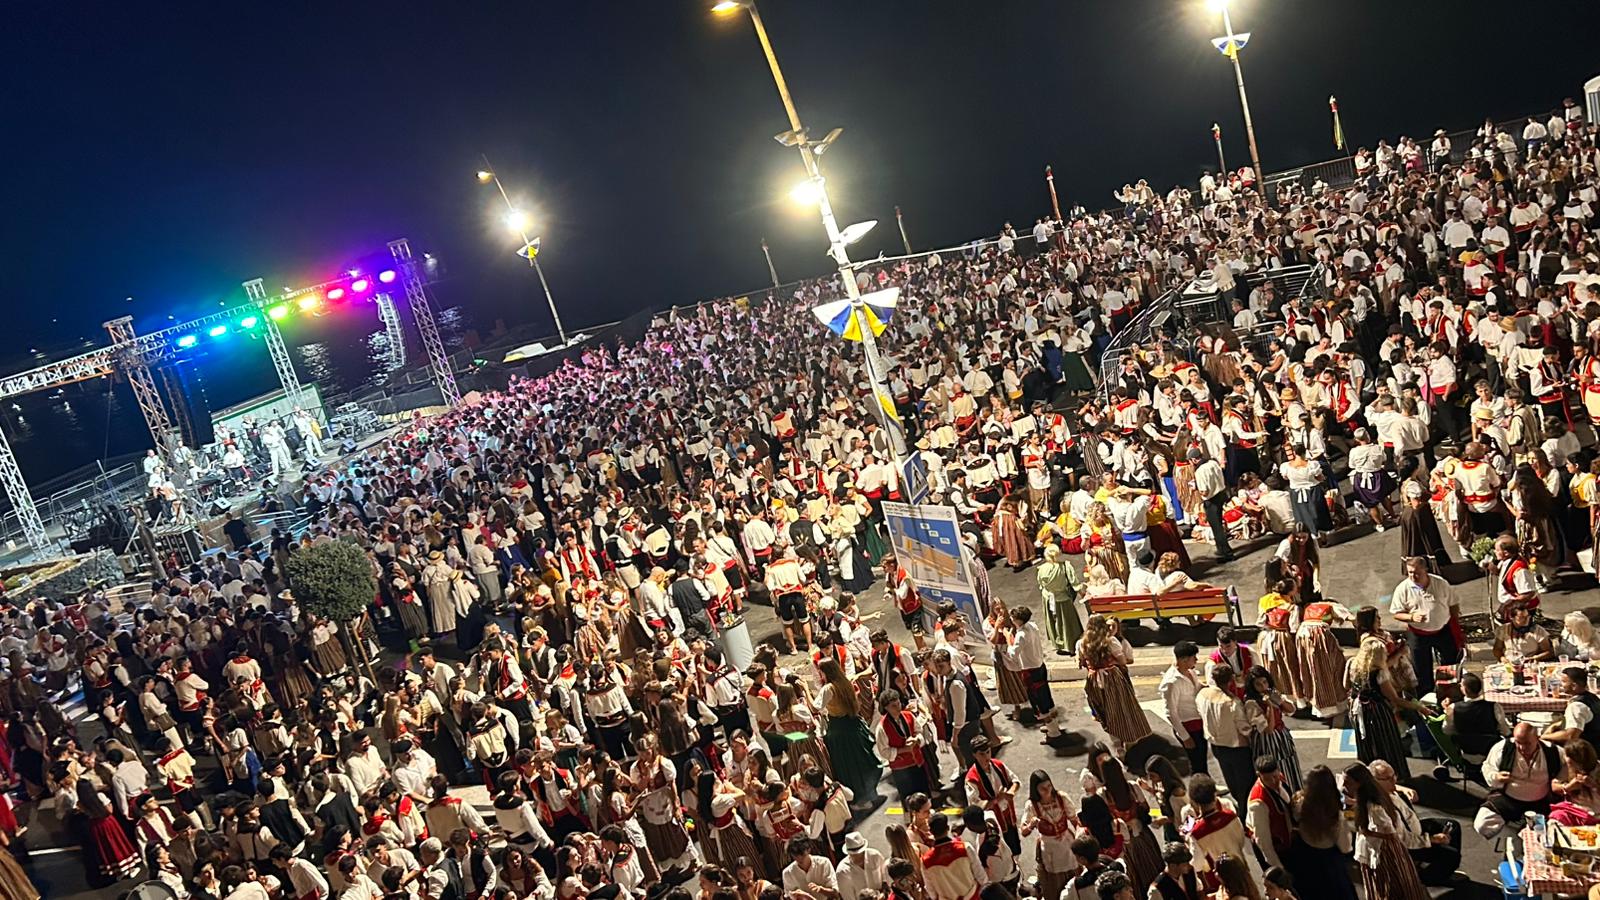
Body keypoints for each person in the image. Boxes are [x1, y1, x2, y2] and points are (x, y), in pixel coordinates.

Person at [1344, 763, 1429, 900]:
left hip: (1385, 853)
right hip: (1380, 849)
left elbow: (1390, 832)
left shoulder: (1375, 806)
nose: (1344, 785)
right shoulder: (1367, 799)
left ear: (1358, 783)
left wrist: (1367, 832)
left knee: (1391, 889)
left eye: (1348, 782)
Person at [1370, 760, 1461, 886]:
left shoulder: (1388, 788)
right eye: (1388, 779)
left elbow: (1393, 785)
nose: (1394, 781)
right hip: (1408, 842)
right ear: (1375, 781)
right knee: (1451, 856)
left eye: (1393, 776)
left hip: (1414, 826)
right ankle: (1425, 879)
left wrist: (1403, 788)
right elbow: (1404, 839)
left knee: (1453, 826)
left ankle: (1441, 868)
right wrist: (1431, 839)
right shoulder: (1382, 808)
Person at [1475, 722, 1563, 838]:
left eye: (1527, 743)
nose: (1522, 748)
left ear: (1537, 738)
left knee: (1553, 830)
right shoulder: (1502, 747)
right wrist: (1496, 777)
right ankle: (1514, 836)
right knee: (1482, 825)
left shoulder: (1553, 751)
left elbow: (1568, 769)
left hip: (1542, 801)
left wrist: (1559, 781)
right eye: (1518, 743)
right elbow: (1487, 767)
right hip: (1509, 799)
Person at [1348, 641, 1422, 779]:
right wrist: (1419, 707)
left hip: (1358, 711)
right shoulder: (1379, 673)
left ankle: (1368, 776)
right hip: (1377, 712)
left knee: (1367, 744)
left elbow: (1345, 685)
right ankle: (1391, 776)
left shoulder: (1354, 665)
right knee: (1386, 742)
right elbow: (1395, 699)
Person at [1079, 615, 1150, 752]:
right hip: (1112, 679)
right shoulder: (1111, 641)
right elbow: (1122, 661)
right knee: (1122, 709)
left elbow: (1081, 663)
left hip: (1093, 680)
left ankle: (1117, 744)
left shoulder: (1082, 643)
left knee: (1105, 712)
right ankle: (1129, 739)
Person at [1389, 556, 1460, 688]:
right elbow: (1396, 613)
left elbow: (1453, 604)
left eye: (1417, 573)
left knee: (1450, 665)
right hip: (1418, 635)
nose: (1413, 576)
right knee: (1422, 670)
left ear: (1425, 570)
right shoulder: (1402, 589)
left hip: (1442, 631)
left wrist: (1455, 623)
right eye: (1410, 573)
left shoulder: (1440, 583)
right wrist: (1411, 617)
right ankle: (1427, 698)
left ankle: (1450, 691)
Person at [1290, 765, 1356, 900]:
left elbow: (1295, 818)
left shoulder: (1299, 803)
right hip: (1329, 862)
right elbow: (1345, 847)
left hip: (1305, 856)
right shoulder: (1335, 815)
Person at [1197, 665, 1254, 802]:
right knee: (1245, 786)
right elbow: (1244, 728)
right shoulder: (1232, 703)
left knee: (1231, 780)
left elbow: (1200, 712)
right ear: (1231, 680)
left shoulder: (1202, 695)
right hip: (1237, 748)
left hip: (1216, 746)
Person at [1021, 770, 1079, 900]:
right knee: (1055, 882)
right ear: (1036, 790)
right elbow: (1024, 831)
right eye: (1043, 789)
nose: (1047, 791)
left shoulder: (1061, 798)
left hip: (1067, 842)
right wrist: (1031, 824)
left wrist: (1080, 837)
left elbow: (1074, 820)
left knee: (1074, 871)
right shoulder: (1032, 806)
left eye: (1049, 786)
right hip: (1049, 846)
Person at [1183, 775, 1249, 886]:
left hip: (1222, 878)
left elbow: (1197, 863)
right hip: (1242, 869)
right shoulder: (1230, 815)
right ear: (1214, 795)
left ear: (1195, 802)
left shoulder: (1197, 832)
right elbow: (1241, 841)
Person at [1159, 641, 1207, 777]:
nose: (1196, 660)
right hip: (1188, 726)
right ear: (1184, 660)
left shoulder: (1190, 672)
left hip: (1198, 721)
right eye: (1194, 658)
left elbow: (1195, 687)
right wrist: (1185, 737)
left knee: (1202, 759)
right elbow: (1170, 712)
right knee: (1196, 762)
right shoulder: (1172, 682)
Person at [1246, 757, 1294, 870]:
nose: (1273, 782)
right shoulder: (1258, 803)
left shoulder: (1281, 779)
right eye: (1267, 779)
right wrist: (1278, 868)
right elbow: (1264, 842)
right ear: (1259, 775)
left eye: (1275, 776)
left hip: (1288, 840)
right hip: (1277, 850)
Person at [921, 813, 984, 900]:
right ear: (947, 828)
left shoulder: (926, 861)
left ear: (931, 832)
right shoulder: (964, 848)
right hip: (973, 897)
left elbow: (931, 891)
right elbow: (981, 876)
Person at [1035, 545, 1083, 654]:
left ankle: (1059, 643)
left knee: (1054, 621)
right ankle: (1070, 644)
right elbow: (1074, 583)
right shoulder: (1065, 566)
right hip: (1063, 598)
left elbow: (1041, 585)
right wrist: (1083, 594)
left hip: (1048, 598)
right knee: (1068, 623)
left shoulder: (1041, 569)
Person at [1544, 665, 1600, 746]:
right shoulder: (1593, 697)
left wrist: (1545, 737)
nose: (1561, 685)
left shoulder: (1576, 707)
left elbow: (1571, 736)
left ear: (1574, 686)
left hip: (1587, 750)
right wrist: (1555, 725)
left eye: (1563, 682)